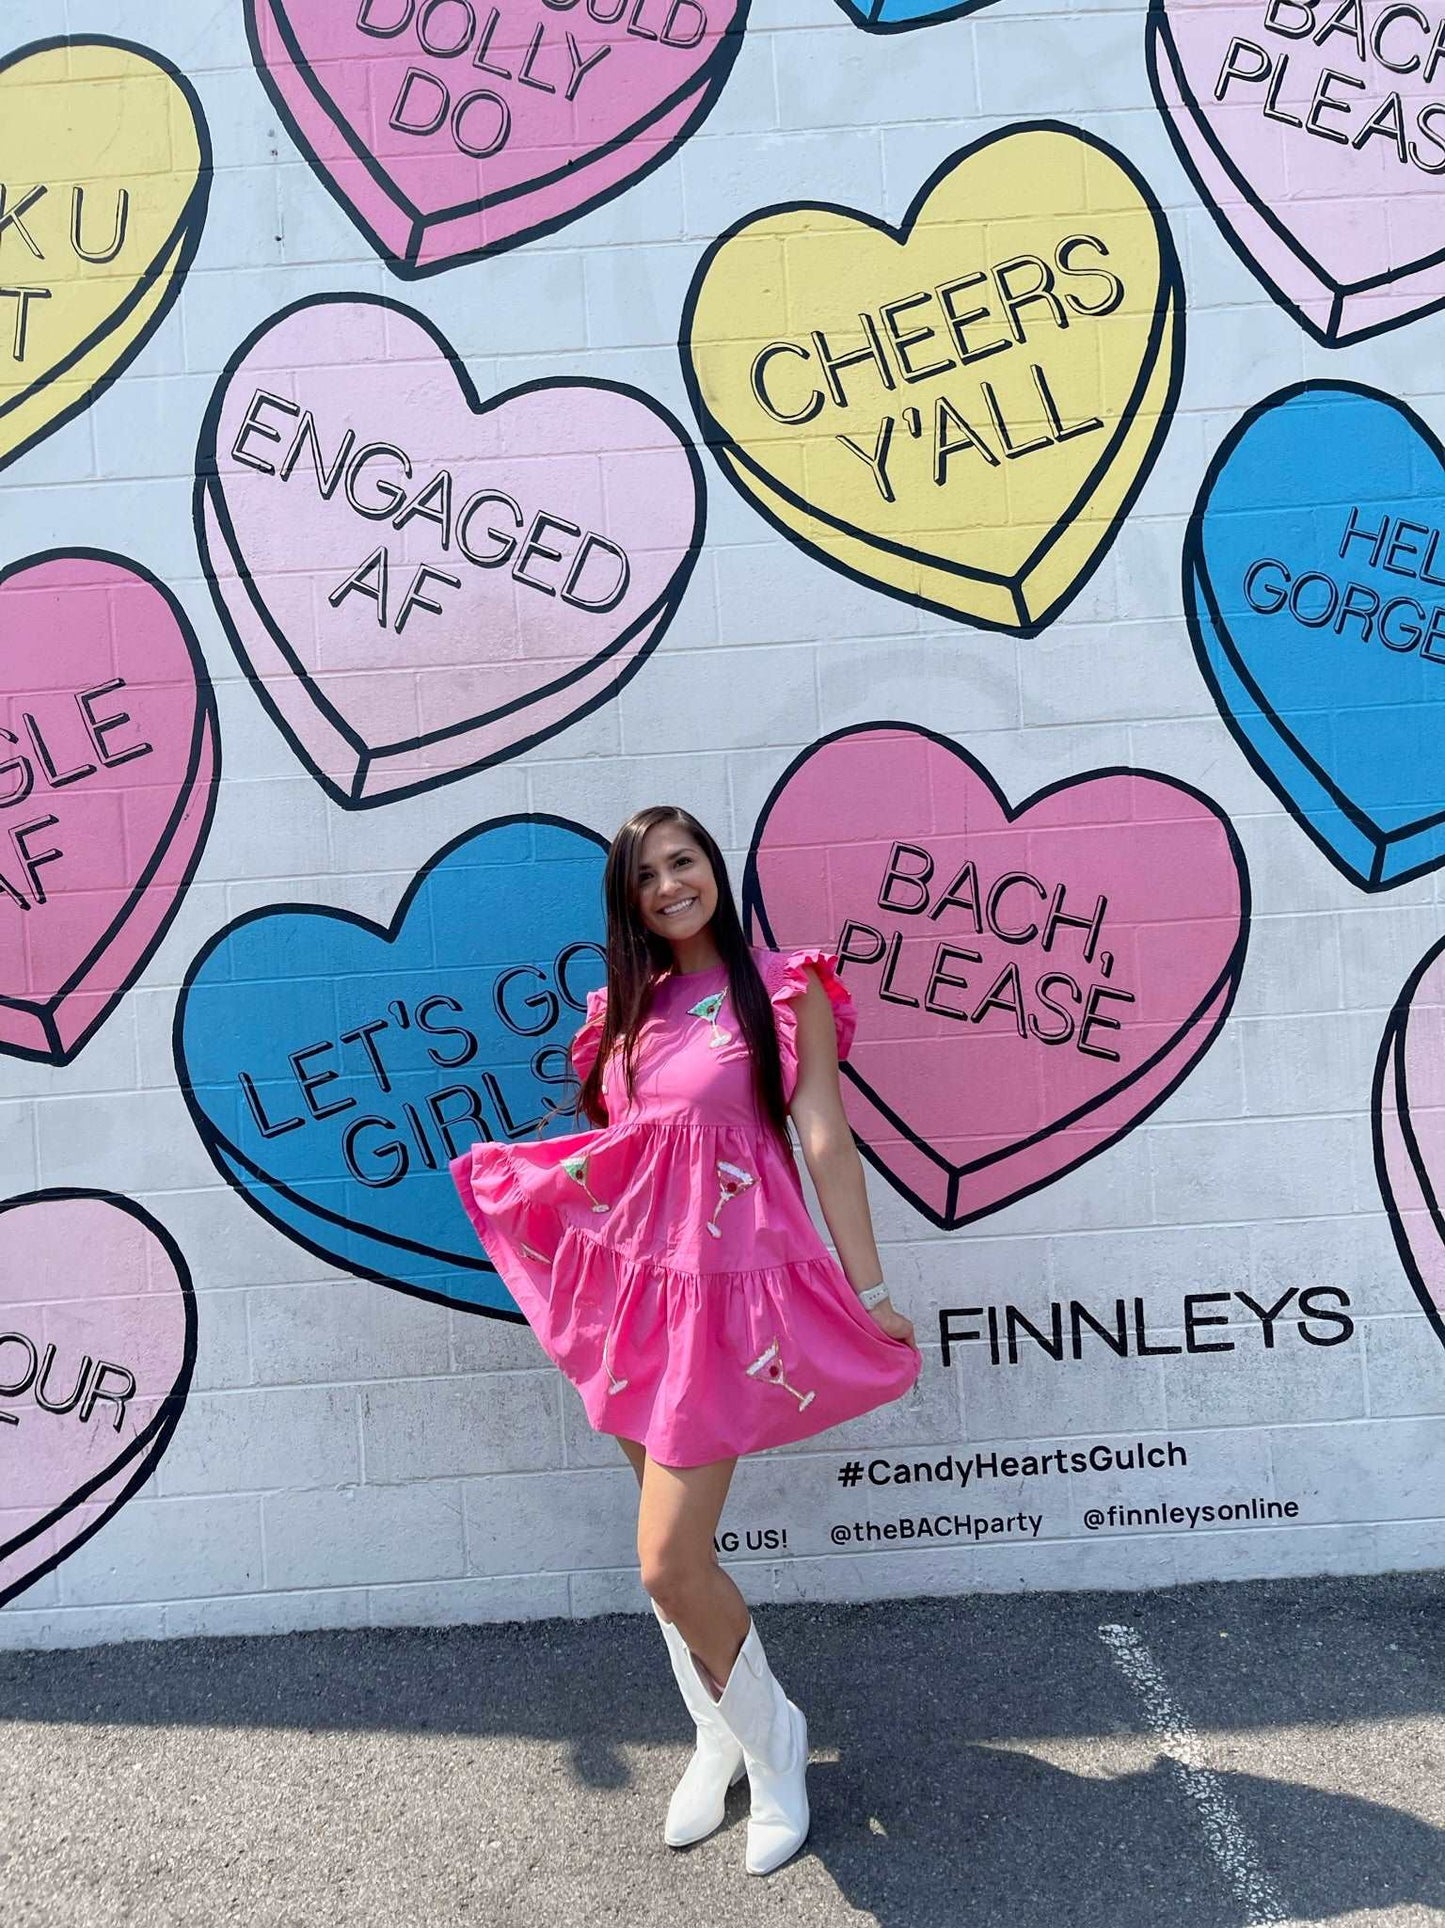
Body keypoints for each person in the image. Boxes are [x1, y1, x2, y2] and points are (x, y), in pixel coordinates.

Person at [450, 805, 922, 1875]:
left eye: (683, 860)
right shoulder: (619, 1010)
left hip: (724, 1305)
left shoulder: (782, 984)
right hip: (633, 1300)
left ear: (713, 866)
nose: (669, 883)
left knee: (665, 1559)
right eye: (646, 875)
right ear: (628, 902)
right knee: (675, 1552)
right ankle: (719, 1736)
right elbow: (622, 1154)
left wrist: (871, 1285)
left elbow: (822, 1137)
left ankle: (777, 1741)